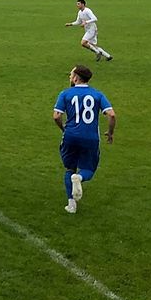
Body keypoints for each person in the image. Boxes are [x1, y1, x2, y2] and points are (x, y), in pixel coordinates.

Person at [53, 65, 116, 214]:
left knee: (70, 168)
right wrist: (110, 132)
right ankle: (80, 178)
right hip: (90, 137)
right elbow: (112, 115)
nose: (69, 77)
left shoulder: (65, 94)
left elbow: (56, 116)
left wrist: (63, 128)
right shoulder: (97, 94)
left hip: (70, 136)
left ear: (76, 78)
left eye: (71, 74)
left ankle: (71, 205)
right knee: (88, 169)